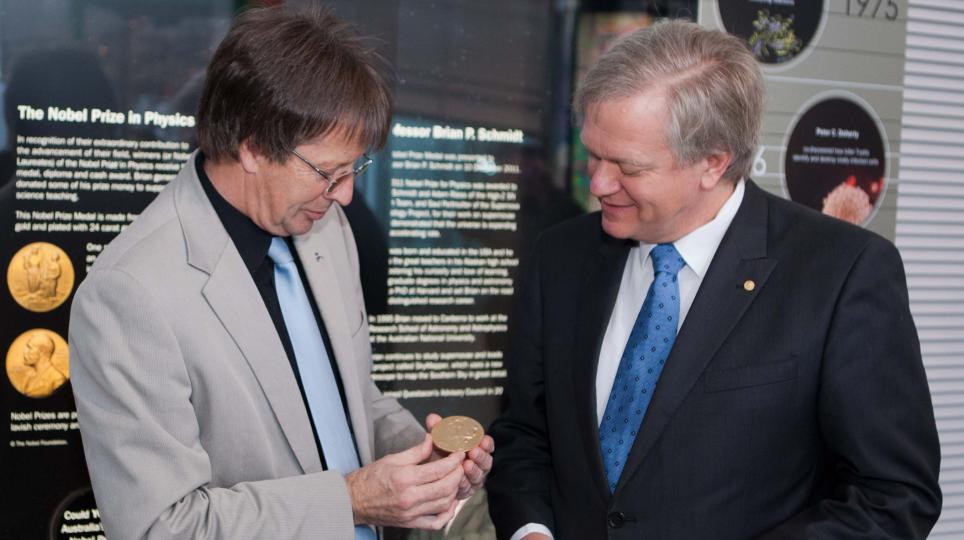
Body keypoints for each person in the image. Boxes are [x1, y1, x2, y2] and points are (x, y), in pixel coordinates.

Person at [486, 20, 941, 540]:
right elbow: (524, 432)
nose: (598, 183)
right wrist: (531, 530)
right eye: (593, 154)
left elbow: (894, 496)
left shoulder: (842, 274)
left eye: (627, 167)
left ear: (713, 162)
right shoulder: (561, 256)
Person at [68, 6, 493, 539]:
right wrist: (353, 501)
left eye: (354, 169)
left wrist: (425, 460)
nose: (344, 196)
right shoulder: (128, 296)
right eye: (327, 172)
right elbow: (162, 528)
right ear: (251, 146)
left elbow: (350, 395)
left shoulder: (323, 226)